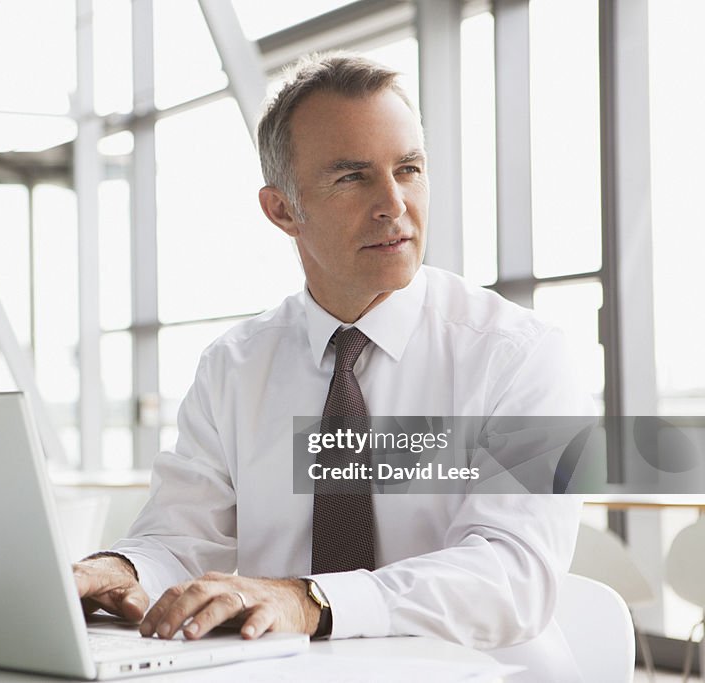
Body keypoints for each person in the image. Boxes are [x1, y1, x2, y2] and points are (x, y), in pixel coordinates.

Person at [73, 53, 591, 681]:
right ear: (282, 210)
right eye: (352, 178)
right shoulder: (234, 368)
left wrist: (311, 599)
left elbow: (514, 573)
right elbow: (178, 541)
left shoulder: (525, 354)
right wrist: (115, 571)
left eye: (409, 169)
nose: (394, 204)